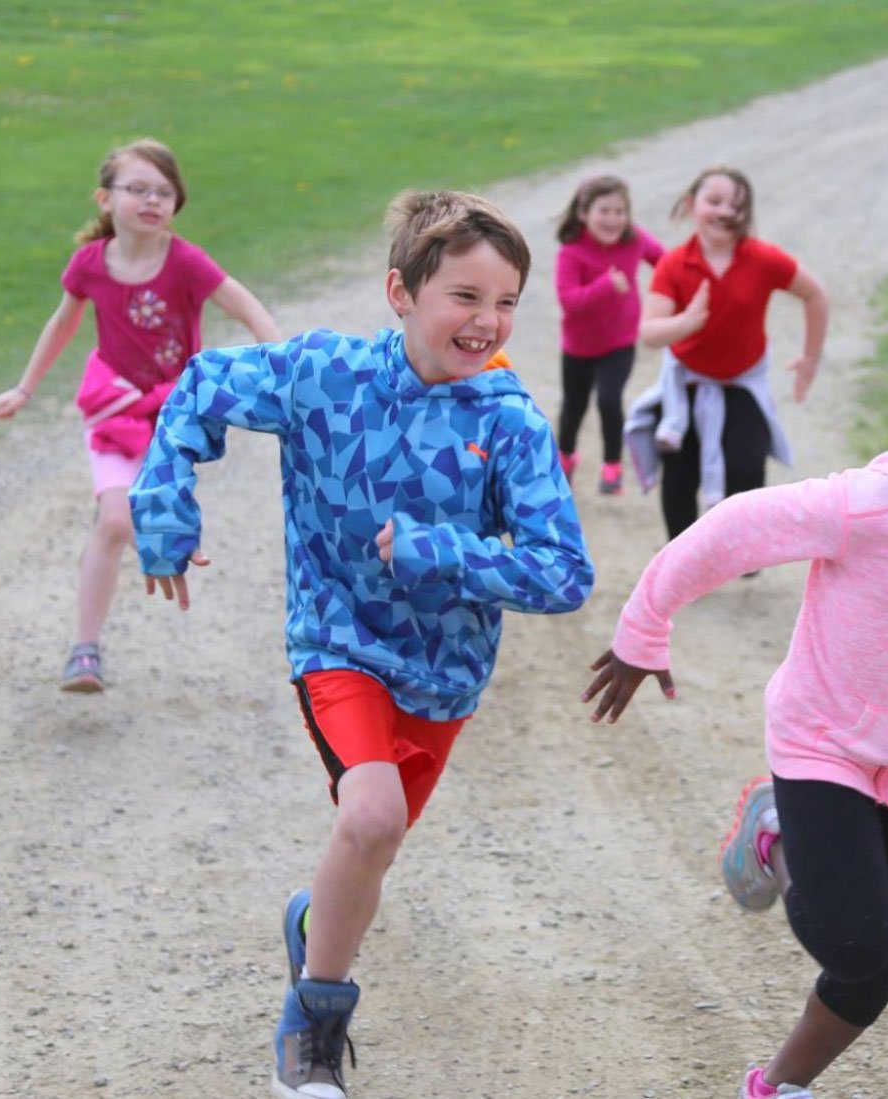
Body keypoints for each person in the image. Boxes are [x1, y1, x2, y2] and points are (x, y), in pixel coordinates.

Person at [129, 190, 594, 1099]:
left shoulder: (508, 420)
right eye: (464, 296)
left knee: (368, 847)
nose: (486, 321)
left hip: (444, 678)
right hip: (336, 640)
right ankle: (312, 1029)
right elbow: (201, 388)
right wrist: (163, 506)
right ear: (400, 291)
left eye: (505, 303)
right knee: (371, 816)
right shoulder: (323, 374)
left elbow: (564, 571)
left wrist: (439, 551)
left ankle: (315, 919)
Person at [584, 307, 888, 1099]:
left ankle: (777, 1085)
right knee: (853, 940)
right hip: (823, 742)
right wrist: (644, 628)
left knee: (886, 963)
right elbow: (731, 531)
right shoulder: (868, 505)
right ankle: (774, 831)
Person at [0, 137, 279, 692]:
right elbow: (63, 326)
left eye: (165, 192)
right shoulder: (90, 265)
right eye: (138, 189)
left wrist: (287, 369)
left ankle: (169, 540)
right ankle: (84, 649)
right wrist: (25, 389)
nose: (152, 200)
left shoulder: (187, 262)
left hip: (174, 412)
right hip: (116, 405)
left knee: (160, 522)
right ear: (104, 198)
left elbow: (247, 308)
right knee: (117, 521)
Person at [628, 166, 829, 539]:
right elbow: (649, 332)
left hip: (741, 381)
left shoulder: (763, 258)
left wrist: (810, 358)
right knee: (679, 475)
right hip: (686, 382)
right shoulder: (675, 264)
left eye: (736, 205)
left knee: (746, 468)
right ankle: (682, 558)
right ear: (692, 205)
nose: (724, 212)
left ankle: (743, 551)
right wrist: (686, 323)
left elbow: (815, 294)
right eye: (714, 201)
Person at [553, 174, 664, 495]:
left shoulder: (636, 241)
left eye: (619, 211)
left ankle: (612, 465)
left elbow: (667, 264)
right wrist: (605, 286)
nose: (613, 218)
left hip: (620, 342)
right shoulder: (571, 253)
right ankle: (566, 456)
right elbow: (569, 302)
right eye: (604, 210)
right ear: (583, 213)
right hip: (578, 347)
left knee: (609, 399)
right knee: (573, 406)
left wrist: (671, 297)